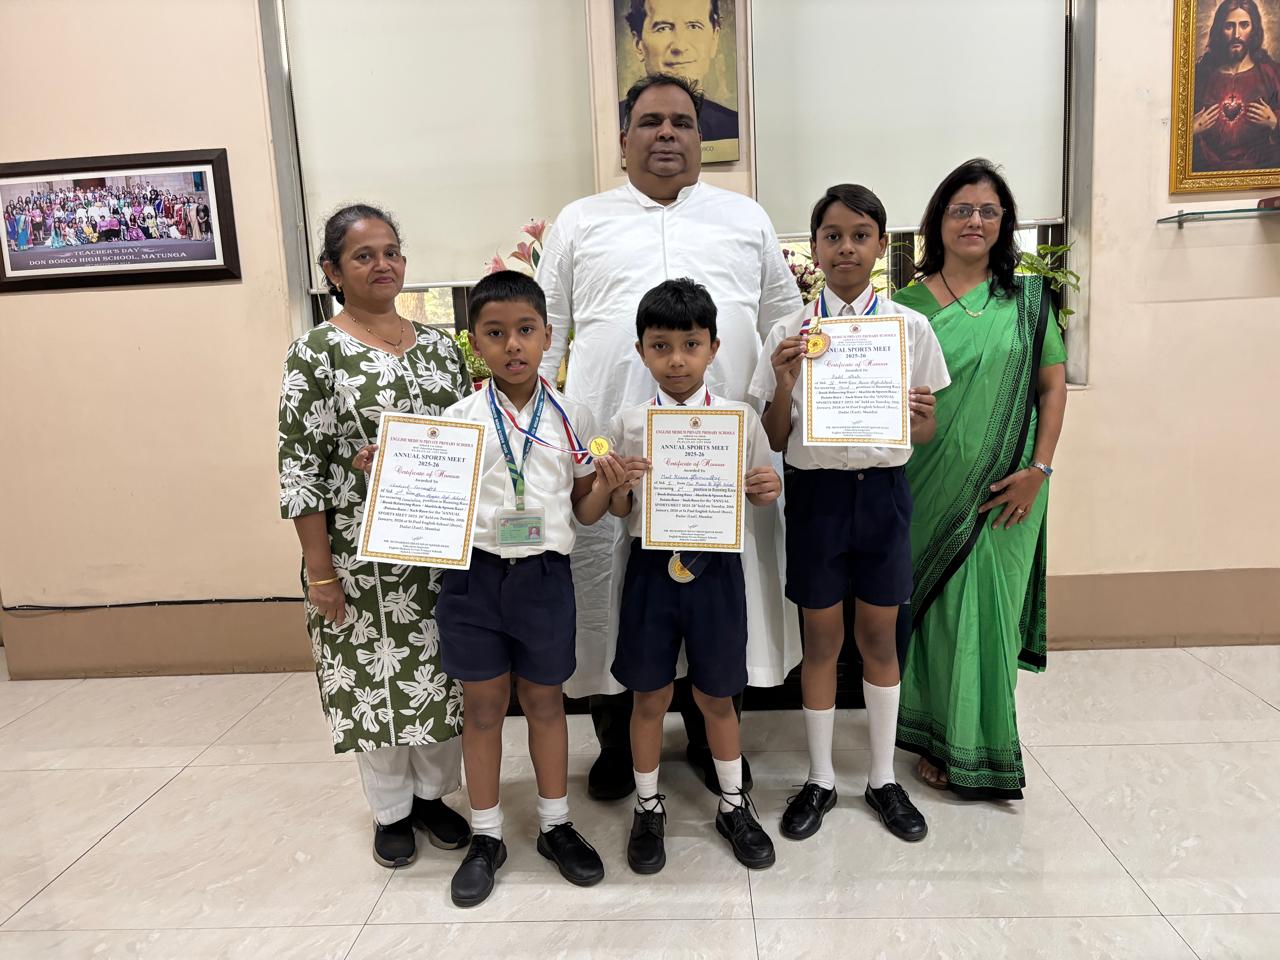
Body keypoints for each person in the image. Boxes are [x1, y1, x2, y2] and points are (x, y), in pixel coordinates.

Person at [537, 72, 802, 801]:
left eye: (681, 122)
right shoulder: (580, 221)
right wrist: (546, 433)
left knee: (721, 595)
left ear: (700, 138)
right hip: (613, 456)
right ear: (624, 139)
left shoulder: (743, 217)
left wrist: (771, 405)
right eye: (650, 121)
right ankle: (618, 743)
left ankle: (718, 740)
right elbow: (545, 331)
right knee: (611, 594)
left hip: (723, 460)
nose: (666, 134)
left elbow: (785, 320)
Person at [413, 270, 628, 908]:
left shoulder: (573, 417)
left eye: (526, 330)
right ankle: (486, 835)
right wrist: (395, 469)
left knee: (545, 702)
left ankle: (555, 824)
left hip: (544, 578)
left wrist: (608, 485)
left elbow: (585, 512)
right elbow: (434, 503)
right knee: (482, 708)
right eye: (496, 333)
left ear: (548, 335)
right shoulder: (458, 421)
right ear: (474, 341)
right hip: (474, 579)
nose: (513, 345)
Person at [751, 185, 949, 844]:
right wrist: (783, 381)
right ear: (813, 248)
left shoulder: (907, 329)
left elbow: (924, 432)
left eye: (860, 235)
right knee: (822, 641)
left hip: (884, 494)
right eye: (832, 236)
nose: (846, 248)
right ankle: (820, 778)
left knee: (879, 638)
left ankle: (883, 779)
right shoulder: (788, 332)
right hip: (817, 499)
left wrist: (921, 418)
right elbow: (775, 437)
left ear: (881, 245)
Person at [277, 203, 472, 870]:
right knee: (374, 681)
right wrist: (320, 571)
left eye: (391, 251)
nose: (382, 264)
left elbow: (467, 443)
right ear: (332, 270)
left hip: (441, 553)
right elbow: (300, 469)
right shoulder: (315, 353)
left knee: (442, 677)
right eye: (363, 255)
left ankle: (433, 797)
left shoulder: (442, 349)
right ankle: (391, 810)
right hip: (358, 560)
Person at [892, 159, 1068, 799]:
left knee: (985, 611)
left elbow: (1051, 388)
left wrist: (1038, 471)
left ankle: (979, 742)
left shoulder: (1029, 302)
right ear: (938, 221)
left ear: (1005, 223)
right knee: (937, 613)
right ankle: (934, 734)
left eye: (988, 211)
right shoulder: (902, 307)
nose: (974, 221)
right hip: (925, 482)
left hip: (1010, 487)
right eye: (961, 209)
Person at [609, 278, 780, 874]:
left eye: (690, 344)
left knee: (716, 694)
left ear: (713, 348)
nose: (676, 360)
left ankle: (733, 803)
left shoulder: (739, 419)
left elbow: (760, 494)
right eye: (661, 346)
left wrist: (766, 488)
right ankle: (647, 805)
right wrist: (619, 487)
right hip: (651, 570)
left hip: (716, 570)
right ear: (641, 351)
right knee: (650, 695)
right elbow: (620, 511)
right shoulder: (630, 424)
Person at [617, 0, 737, 142]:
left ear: (714, 38)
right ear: (638, 44)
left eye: (694, 26)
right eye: (663, 28)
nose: (679, 46)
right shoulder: (611, 121)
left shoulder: (734, 127)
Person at [1192, 0, 1280, 172]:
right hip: (1208, 172)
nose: (1236, 34)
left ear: (1254, 29)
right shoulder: (1201, 75)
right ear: (1219, 30)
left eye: (1244, 25)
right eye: (1229, 26)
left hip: (1259, 172)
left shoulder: (1271, 74)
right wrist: (1190, 130)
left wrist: (1275, 122)